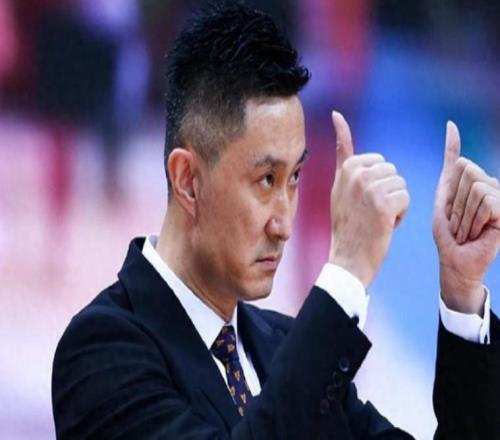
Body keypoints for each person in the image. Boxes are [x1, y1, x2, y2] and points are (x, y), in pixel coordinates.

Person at [52, 2, 500, 438]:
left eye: (295, 177)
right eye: (266, 180)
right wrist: (346, 273)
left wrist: (462, 293)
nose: (283, 224)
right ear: (188, 180)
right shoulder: (100, 350)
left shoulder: (288, 348)